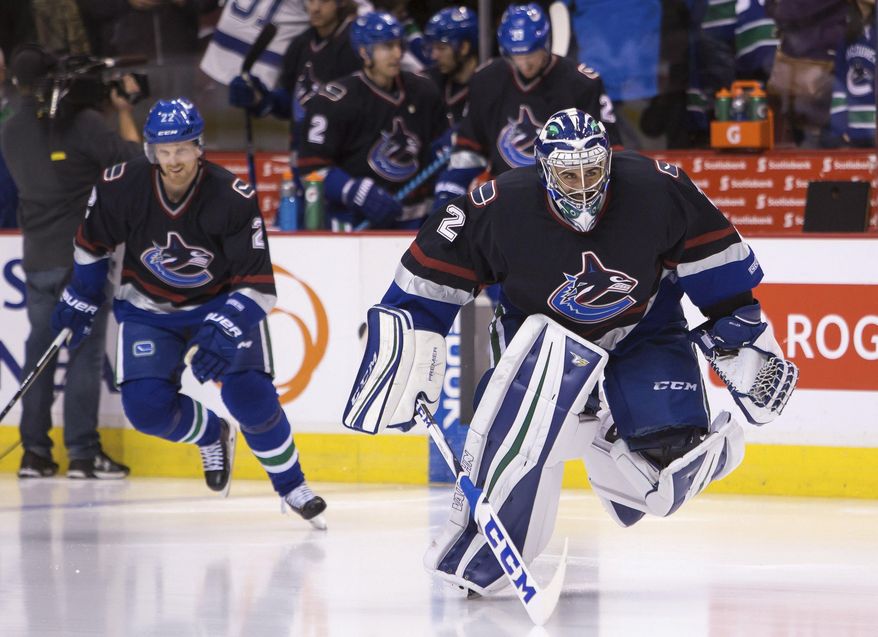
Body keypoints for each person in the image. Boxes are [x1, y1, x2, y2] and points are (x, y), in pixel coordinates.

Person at [342, 108, 799, 596]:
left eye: (591, 170)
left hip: (643, 322)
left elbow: (721, 275)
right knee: (525, 439)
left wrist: (743, 338)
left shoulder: (659, 188)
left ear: (609, 161)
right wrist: (406, 338)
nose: (581, 185)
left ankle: (607, 431)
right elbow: (425, 283)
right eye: (567, 172)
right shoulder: (499, 205)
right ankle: (491, 526)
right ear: (543, 168)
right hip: (541, 334)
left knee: (668, 472)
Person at [50, 97, 328, 528]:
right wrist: (83, 293)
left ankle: (292, 485)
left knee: (250, 395)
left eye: (182, 148)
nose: (173, 160)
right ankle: (211, 433)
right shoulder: (121, 185)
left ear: (199, 147)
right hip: (147, 307)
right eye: (164, 150)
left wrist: (226, 327)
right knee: (145, 409)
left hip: (218, 304)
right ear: (150, 151)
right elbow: (91, 244)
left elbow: (257, 283)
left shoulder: (233, 197)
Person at [2, 44, 140, 479]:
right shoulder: (81, 123)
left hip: (38, 257)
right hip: (82, 259)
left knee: (39, 352)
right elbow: (138, 163)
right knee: (82, 353)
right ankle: (82, 453)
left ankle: (35, 453)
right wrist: (122, 109)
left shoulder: (9, 129)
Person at [432, 2, 621, 212]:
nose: (525, 64)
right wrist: (452, 189)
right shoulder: (486, 80)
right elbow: (470, 147)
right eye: (517, 56)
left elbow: (612, 153)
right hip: (504, 200)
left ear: (546, 44)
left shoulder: (582, 83)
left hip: (567, 201)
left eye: (531, 55)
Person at [297, 11, 446, 231]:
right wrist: (352, 190)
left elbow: (440, 150)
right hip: (356, 224)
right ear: (364, 52)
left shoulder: (424, 92)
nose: (397, 54)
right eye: (387, 47)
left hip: (416, 222)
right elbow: (311, 167)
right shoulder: (333, 101)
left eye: (399, 45)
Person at [227, 0, 362, 161]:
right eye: (311, 1)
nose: (315, 9)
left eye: (324, 1)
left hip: (344, 156)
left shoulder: (355, 47)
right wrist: (260, 98)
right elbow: (292, 102)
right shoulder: (300, 45)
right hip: (302, 155)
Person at [423, 6, 479, 129]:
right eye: (433, 48)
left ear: (464, 47)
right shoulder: (428, 82)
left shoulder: (489, 86)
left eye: (441, 48)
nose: (434, 56)